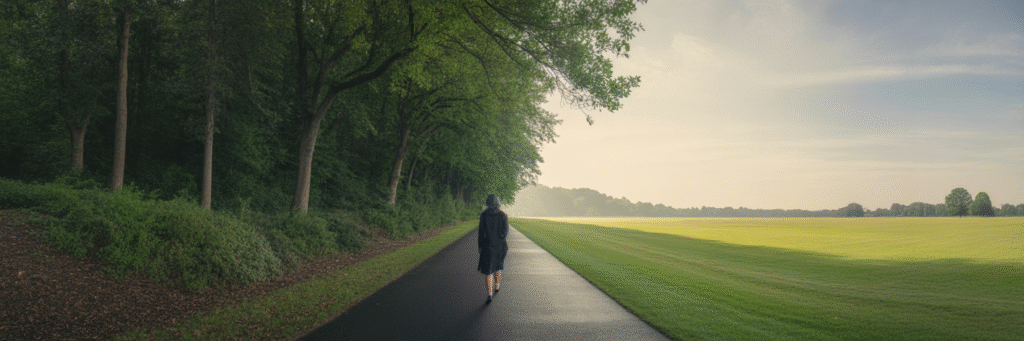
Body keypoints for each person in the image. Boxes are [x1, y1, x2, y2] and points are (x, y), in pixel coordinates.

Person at [478, 194, 509, 304]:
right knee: (498, 267)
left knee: (488, 271)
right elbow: (505, 233)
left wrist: (480, 246)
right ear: (498, 203)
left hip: (487, 246)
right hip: (500, 246)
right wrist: (499, 238)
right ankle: (497, 286)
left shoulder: (484, 215)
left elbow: (481, 233)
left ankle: (489, 295)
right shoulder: (503, 215)